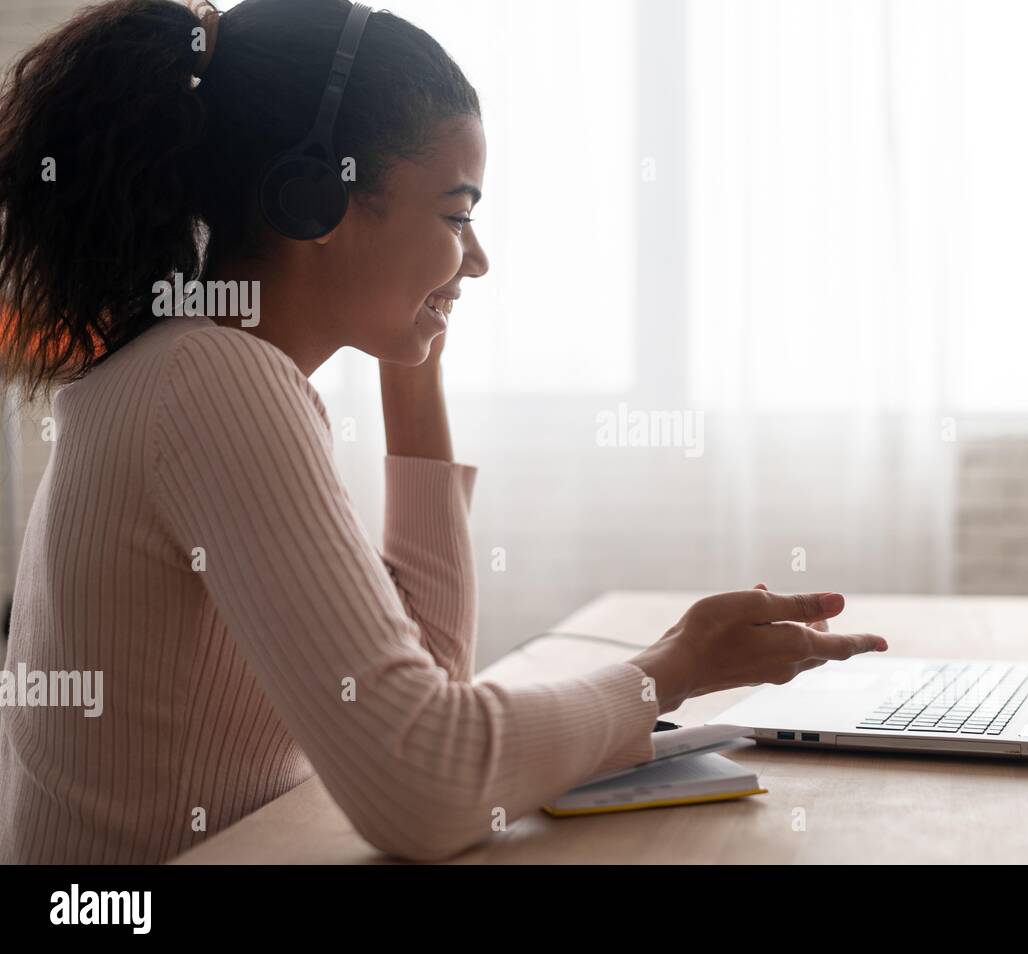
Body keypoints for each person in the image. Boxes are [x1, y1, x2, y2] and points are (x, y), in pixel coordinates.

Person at [0, 0, 888, 863]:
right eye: (457, 214)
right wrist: (676, 666)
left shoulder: (192, 366)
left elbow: (429, 680)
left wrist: (410, 347)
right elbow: (427, 789)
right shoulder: (210, 381)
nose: (479, 257)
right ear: (314, 201)